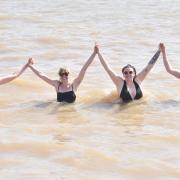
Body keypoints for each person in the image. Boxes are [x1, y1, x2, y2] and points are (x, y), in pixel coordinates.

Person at [28, 46, 96, 103]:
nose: (64, 76)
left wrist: (94, 53)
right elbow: (41, 75)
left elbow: (84, 69)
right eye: (62, 74)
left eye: (66, 74)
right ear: (60, 76)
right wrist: (30, 66)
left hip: (72, 113)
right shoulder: (57, 84)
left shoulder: (74, 84)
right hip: (60, 114)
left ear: (68, 75)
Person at [95, 44, 161, 103]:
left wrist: (159, 51)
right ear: (123, 75)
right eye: (125, 73)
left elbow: (149, 67)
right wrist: (98, 53)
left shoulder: (138, 80)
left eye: (130, 72)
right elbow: (107, 68)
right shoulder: (119, 83)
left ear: (134, 74)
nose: (128, 74)